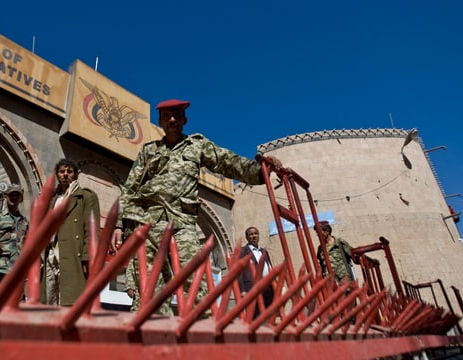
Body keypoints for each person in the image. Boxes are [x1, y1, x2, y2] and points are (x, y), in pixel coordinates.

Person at [111, 99, 283, 315]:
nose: (172, 120)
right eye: (167, 116)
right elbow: (130, 187)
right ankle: (153, 338)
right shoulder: (149, 151)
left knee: (195, 282)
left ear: (184, 120)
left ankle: (200, 333)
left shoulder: (197, 145)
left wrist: (259, 171)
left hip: (181, 222)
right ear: (160, 121)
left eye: (176, 115)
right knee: (148, 289)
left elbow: (226, 161)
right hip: (147, 222)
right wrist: (119, 224)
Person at [40, 158, 101, 306]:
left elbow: (91, 230)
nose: (65, 174)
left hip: (73, 253)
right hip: (50, 254)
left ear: (75, 174)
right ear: (57, 174)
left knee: (70, 300)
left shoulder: (86, 196)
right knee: (49, 298)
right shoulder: (50, 200)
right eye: (62, 171)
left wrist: (88, 257)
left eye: (69, 171)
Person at [237, 226, 274, 319]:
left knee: (269, 314)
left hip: (268, 288)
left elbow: (269, 267)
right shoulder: (243, 251)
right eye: (251, 234)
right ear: (247, 237)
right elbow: (239, 271)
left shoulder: (264, 251)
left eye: (256, 233)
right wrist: (242, 290)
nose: (254, 236)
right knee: (255, 315)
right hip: (252, 288)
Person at [315, 221, 354, 285]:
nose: (317, 235)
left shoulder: (339, 243)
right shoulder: (320, 248)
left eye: (319, 232)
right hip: (330, 283)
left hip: (344, 280)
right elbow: (321, 265)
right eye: (317, 233)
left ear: (327, 231)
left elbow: (353, 255)